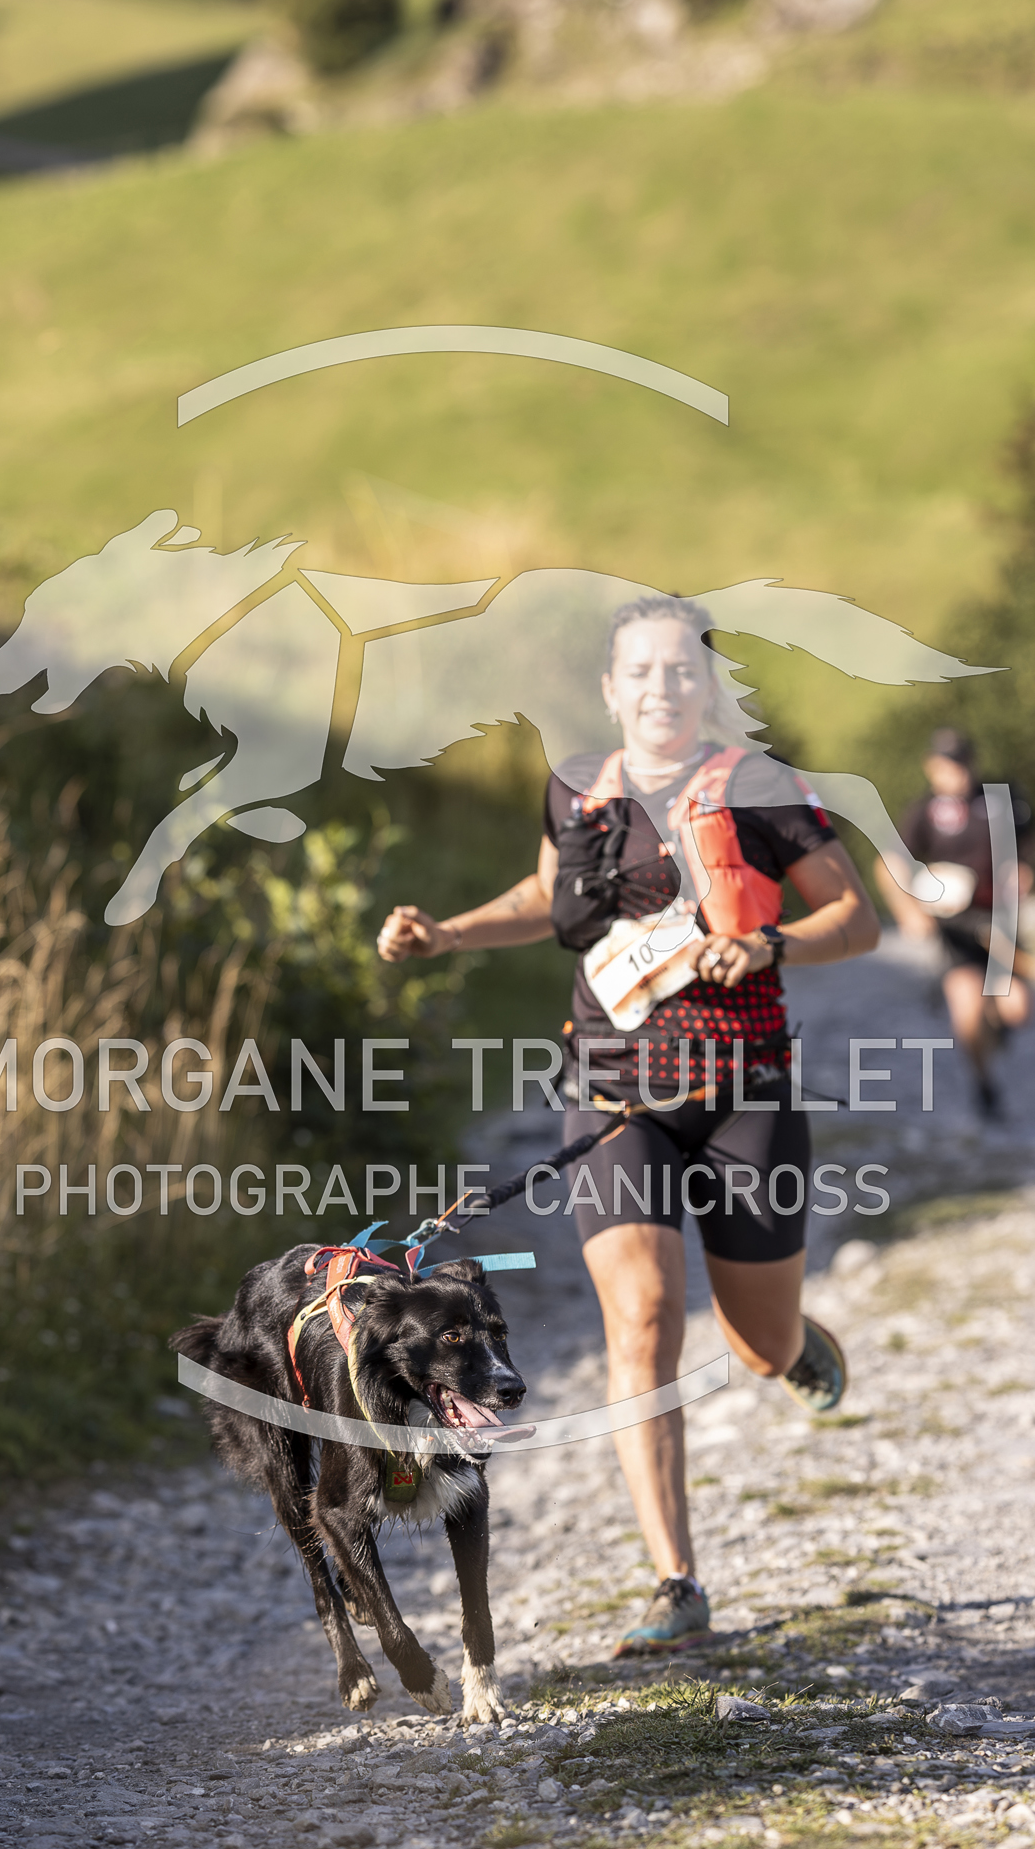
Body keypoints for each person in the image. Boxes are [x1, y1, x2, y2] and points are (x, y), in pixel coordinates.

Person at [376, 594, 882, 1657]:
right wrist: (448, 934)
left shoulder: (760, 788)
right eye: (641, 671)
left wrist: (773, 944)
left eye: (682, 670)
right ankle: (675, 1580)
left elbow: (856, 918)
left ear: (708, 686)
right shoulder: (577, 788)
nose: (662, 688)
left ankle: (789, 1344)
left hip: (745, 1091)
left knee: (757, 1342)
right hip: (614, 1097)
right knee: (643, 1316)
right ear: (611, 688)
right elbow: (545, 895)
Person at [874, 727, 1034, 1120]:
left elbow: (1030, 842)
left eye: (961, 764)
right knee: (967, 1013)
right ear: (931, 767)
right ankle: (984, 1085)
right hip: (954, 929)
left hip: (999, 921)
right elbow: (889, 864)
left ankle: (996, 1024)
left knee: (1018, 1009)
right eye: (947, 765)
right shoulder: (924, 811)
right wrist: (909, 911)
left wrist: (1024, 871)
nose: (956, 773)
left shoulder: (1000, 798)